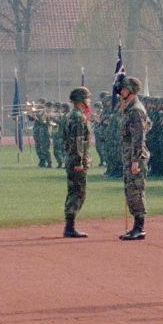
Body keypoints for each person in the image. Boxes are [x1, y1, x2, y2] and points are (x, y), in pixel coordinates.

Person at [117, 76, 151, 241]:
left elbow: (139, 137)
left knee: (136, 192)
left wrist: (136, 160)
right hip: (130, 157)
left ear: (131, 90)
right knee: (130, 191)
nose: (121, 91)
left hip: (135, 158)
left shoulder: (136, 110)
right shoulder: (130, 109)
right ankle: (135, 227)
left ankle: (139, 228)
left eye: (123, 88)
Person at [62, 87, 93, 238]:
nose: (89, 101)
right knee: (78, 193)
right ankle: (70, 227)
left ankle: (69, 226)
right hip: (76, 161)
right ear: (81, 100)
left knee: (74, 192)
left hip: (71, 158)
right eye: (87, 98)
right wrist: (78, 161)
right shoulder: (78, 117)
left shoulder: (73, 115)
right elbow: (77, 141)